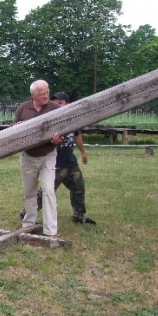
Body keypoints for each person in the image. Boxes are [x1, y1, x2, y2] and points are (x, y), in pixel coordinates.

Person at [14, 80, 63, 236]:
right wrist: (17, 128)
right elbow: (13, 130)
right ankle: (28, 224)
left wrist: (59, 138)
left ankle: (50, 230)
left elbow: (65, 129)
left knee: (48, 190)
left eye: (47, 92)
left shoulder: (55, 108)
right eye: (42, 94)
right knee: (29, 192)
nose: (46, 96)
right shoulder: (23, 108)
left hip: (48, 155)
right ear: (33, 95)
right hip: (28, 156)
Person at [50, 92, 96, 224]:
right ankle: (27, 214)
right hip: (56, 162)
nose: (57, 105)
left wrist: (83, 152)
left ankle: (79, 215)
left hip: (70, 160)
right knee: (47, 191)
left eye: (60, 103)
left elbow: (77, 135)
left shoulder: (72, 119)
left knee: (78, 187)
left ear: (67, 104)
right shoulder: (52, 119)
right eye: (55, 103)